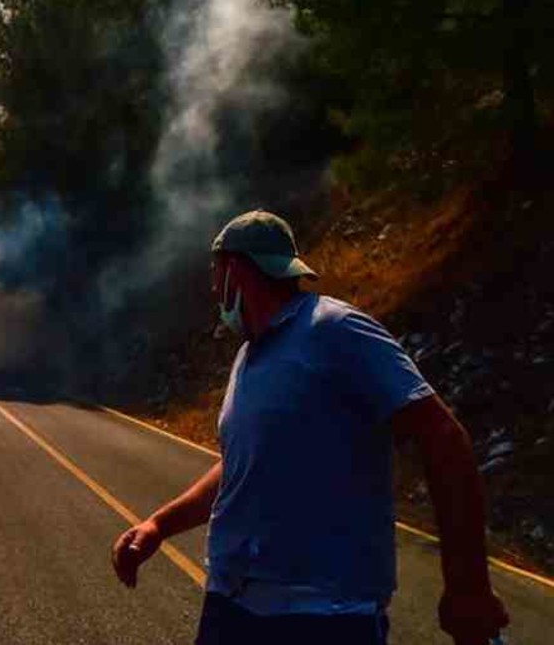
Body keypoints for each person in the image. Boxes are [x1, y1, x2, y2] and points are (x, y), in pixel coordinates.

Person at [111, 211, 509, 644]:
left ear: (235, 272)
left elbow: (444, 438)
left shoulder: (336, 330)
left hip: (322, 619)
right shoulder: (251, 355)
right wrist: (157, 527)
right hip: (232, 607)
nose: (212, 290)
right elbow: (242, 465)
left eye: (215, 274)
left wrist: (467, 586)